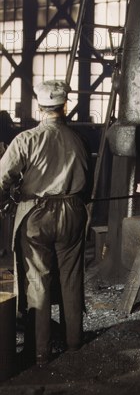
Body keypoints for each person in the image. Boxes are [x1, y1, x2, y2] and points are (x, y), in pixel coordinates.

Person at [0, 80, 92, 365]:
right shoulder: (77, 140)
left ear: (40, 108)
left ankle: (40, 353)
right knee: (71, 276)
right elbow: (86, 180)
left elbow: (2, 178)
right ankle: (74, 342)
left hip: (37, 214)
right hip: (73, 211)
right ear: (64, 107)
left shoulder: (26, 140)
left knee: (37, 279)